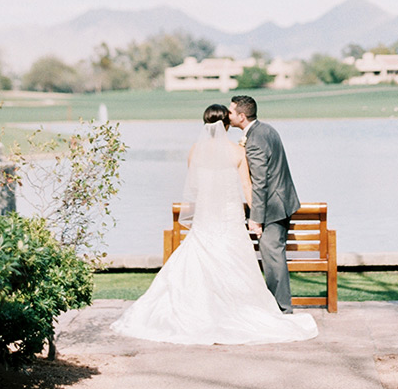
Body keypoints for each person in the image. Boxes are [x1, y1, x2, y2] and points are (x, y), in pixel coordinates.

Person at [110, 103, 317, 345]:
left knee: (197, 260)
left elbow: (194, 186)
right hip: (229, 217)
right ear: (227, 126)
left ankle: (199, 309)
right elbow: (247, 187)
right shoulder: (237, 152)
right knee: (235, 263)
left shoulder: (194, 151)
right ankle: (236, 310)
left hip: (205, 217)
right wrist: (255, 218)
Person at [228, 94, 299, 313]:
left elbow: (260, 182)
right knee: (273, 257)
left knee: (273, 258)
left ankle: (282, 309)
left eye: (230, 111)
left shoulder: (256, 140)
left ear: (241, 116)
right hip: (282, 201)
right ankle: (277, 306)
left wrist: (255, 218)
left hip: (273, 208)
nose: (227, 115)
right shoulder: (266, 130)